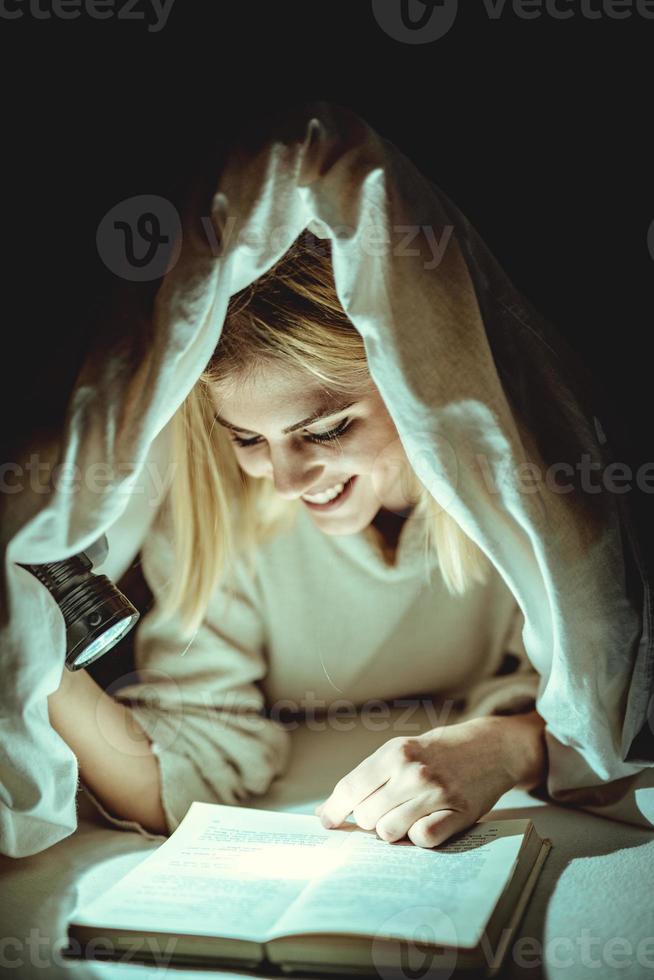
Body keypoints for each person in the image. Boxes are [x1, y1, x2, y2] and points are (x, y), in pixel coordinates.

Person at [48, 231, 547, 849]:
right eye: (249, 439)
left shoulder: (518, 494)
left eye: (329, 430)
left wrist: (503, 748)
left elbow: (592, 709)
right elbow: (174, 777)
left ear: (418, 387)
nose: (285, 479)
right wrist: (36, 662)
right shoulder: (220, 517)